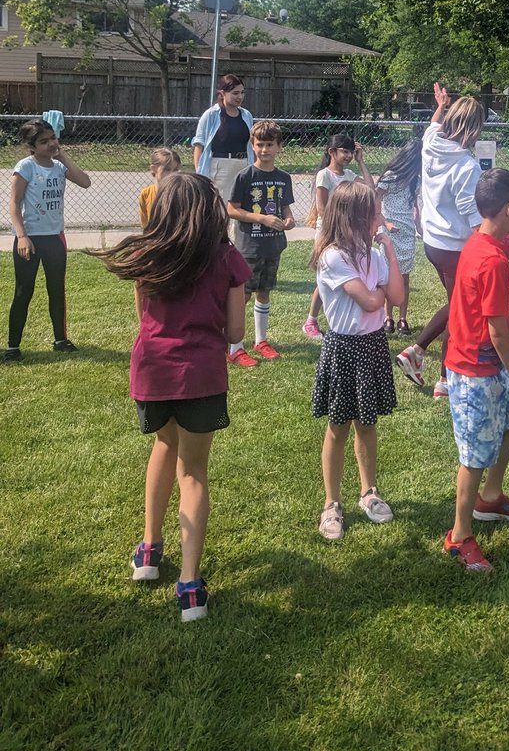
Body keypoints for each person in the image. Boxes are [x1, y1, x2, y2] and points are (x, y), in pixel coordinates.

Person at [95, 172, 251, 622]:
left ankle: (148, 552)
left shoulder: (145, 254)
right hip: (201, 374)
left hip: (153, 372)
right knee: (195, 472)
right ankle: (189, 587)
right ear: (210, 211)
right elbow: (237, 332)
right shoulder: (227, 258)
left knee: (163, 445)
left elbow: (144, 318)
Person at [443, 168, 509, 574]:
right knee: (474, 456)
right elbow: (498, 333)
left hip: (486, 367)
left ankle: (491, 498)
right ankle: (459, 536)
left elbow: (507, 239)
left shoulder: (482, 241)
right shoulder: (493, 263)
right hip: (474, 372)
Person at [312, 181, 404, 542]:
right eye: (374, 213)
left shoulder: (374, 255)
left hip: (372, 346)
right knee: (338, 427)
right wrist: (377, 294)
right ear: (354, 218)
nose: (380, 219)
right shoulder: (333, 256)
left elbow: (392, 296)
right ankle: (331, 504)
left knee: (367, 424)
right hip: (345, 349)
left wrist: (391, 254)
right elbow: (370, 302)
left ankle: (369, 492)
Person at [395, 84, 484, 397]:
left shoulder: (431, 141)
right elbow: (471, 213)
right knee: (460, 309)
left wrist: (442, 104)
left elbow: (434, 124)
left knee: (457, 303)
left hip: (432, 242)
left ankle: (423, 357)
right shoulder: (467, 166)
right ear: (474, 128)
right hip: (456, 246)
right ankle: (440, 375)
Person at [4, 119, 91, 362]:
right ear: (31, 146)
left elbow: (85, 182)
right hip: (29, 240)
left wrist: (63, 157)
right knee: (24, 291)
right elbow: (14, 203)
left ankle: (60, 340)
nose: (51, 143)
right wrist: (22, 236)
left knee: (56, 290)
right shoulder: (25, 167)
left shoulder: (59, 167)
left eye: (53, 138)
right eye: (44, 141)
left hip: (54, 238)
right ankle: (13, 347)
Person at [226, 120, 296, 366]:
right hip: (249, 246)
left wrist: (288, 220)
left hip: (272, 245)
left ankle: (261, 340)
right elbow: (232, 209)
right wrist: (261, 218)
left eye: (269, 145)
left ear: (279, 147)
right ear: (252, 146)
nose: (264, 150)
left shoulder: (283, 178)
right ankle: (235, 346)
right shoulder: (245, 176)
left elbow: (285, 206)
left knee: (264, 292)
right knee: (241, 295)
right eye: (259, 145)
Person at [303, 133, 374, 341]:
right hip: (328, 232)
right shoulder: (325, 175)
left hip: (346, 233)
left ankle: (330, 318)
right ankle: (311, 321)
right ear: (331, 152)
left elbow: (370, 189)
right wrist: (337, 229)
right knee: (324, 278)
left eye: (351, 151)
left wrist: (362, 162)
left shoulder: (349, 176)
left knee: (342, 276)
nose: (349, 155)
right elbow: (322, 208)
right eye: (344, 151)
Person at [375, 137, 422, 338]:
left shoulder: (415, 180)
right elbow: (376, 201)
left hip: (407, 232)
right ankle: (388, 316)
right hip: (389, 231)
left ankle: (402, 318)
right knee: (386, 275)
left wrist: (419, 225)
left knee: (404, 277)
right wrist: (384, 223)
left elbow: (415, 207)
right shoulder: (390, 177)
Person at [191, 74, 254, 216]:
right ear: (222, 93)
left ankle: (237, 239)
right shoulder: (211, 115)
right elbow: (199, 146)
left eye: (242, 93)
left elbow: (252, 145)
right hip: (220, 168)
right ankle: (219, 238)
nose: (240, 97)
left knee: (243, 210)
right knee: (220, 211)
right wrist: (200, 176)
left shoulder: (246, 115)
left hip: (244, 166)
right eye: (235, 93)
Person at [138, 147, 181, 228]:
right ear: (154, 169)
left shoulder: (181, 193)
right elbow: (145, 224)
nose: (172, 174)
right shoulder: (146, 193)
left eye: (175, 170)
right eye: (167, 169)